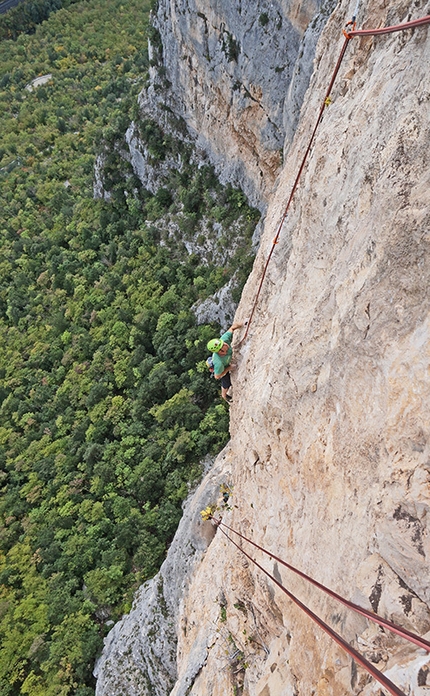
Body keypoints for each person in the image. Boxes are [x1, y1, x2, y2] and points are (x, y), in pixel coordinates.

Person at [207, 322, 243, 403]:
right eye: (223, 346)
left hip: (226, 362)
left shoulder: (223, 340)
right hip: (223, 368)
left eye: (223, 343)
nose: (225, 344)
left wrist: (242, 324)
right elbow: (217, 376)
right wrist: (229, 368)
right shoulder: (219, 363)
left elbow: (232, 328)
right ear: (220, 351)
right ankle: (224, 395)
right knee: (226, 383)